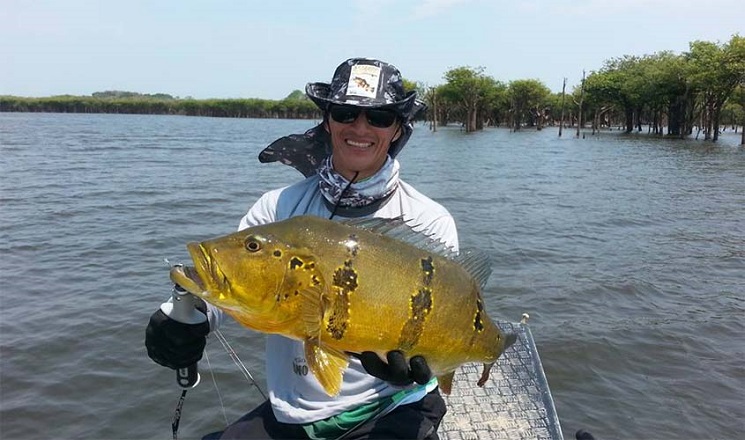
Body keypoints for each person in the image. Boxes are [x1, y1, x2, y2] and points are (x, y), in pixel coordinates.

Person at [146, 58, 459, 439]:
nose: (360, 128)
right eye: (346, 113)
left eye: (379, 118)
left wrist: (418, 368)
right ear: (328, 120)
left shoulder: (428, 220)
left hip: (392, 406)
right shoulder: (276, 209)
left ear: (397, 129)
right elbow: (230, 289)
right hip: (291, 413)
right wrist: (186, 318)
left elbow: (446, 313)